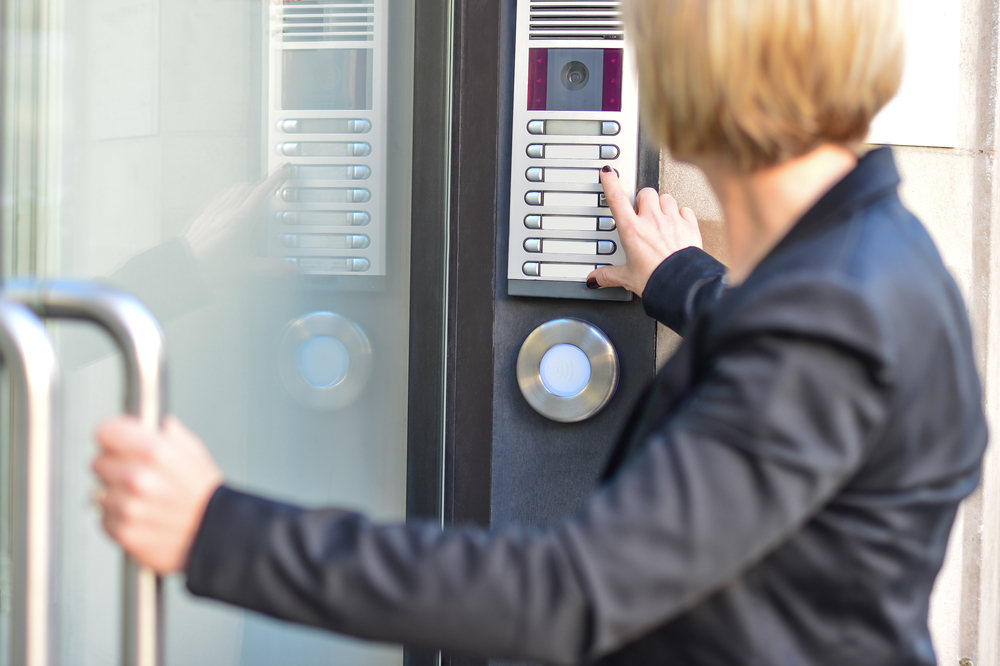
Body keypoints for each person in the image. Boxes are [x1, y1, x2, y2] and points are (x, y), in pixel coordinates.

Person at [91, 0, 988, 663]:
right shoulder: (874, 261)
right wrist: (681, 283)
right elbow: (797, 412)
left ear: (685, 82)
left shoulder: (824, 316)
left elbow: (568, 595)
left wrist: (218, 530)